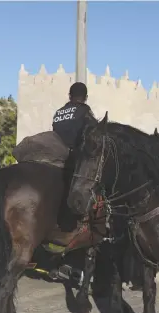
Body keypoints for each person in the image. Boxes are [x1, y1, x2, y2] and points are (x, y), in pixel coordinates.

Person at [52, 82, 98, 230]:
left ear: (69, 96)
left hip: (55, 152)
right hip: (74, 157)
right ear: (86, 97)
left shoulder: (58, 112)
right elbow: (94, 134)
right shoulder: (85, 111)